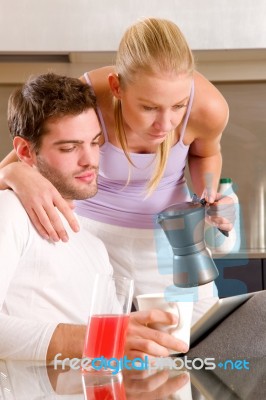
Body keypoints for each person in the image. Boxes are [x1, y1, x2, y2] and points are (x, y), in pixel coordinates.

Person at [0, 18, 235, 323]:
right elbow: (25, 155)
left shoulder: (209, 108)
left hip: (173, 241)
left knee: (200, 340)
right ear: (116, 87)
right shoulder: (88, 98)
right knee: (99, 347)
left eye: (178, 105)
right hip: (89, 236)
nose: (166, 124)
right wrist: (12, 175)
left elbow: (207, 153)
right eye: (149, 107)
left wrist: (208, 193)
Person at [0, 72, 188, 361]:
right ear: (25, 151)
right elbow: (101, 340)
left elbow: (112, 351)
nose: (90, 159)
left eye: (95, 142)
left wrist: (142, 351)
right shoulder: (10, 211)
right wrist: (101, 338)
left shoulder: (93, 247)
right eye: (69, 147)